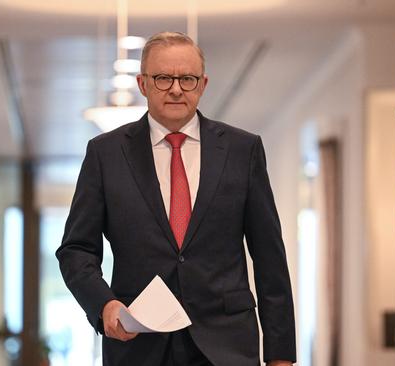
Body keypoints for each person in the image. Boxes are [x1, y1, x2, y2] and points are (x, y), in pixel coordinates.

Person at [57, 31, 296, 366]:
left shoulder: (243, 150)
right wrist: (104, 304)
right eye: (163, 78)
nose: (176, 88)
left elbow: (270, 258)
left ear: (203, 83)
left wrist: (281, 356)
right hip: (138, 344)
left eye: (187, 78)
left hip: (226, 345)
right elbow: (76, 250)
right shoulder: (105, 154)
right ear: (142, 84)